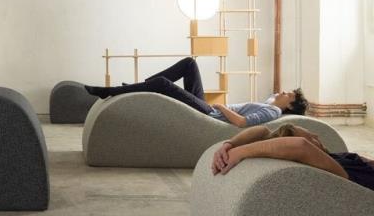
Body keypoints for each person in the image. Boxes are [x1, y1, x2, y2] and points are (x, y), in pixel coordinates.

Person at [85, 57, 308, 127]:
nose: (283, 92)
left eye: (288, 94)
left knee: (163, 83)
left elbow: (242, 123)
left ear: (290, 105)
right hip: (211, 110)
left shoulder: (272, 112)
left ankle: (110, 91)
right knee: (189, 64)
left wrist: (220, 106)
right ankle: (142, 86)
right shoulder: (270, 105)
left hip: (210, 114)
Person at [211, 123, 374, 191]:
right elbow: (300, 146)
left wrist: (229, 144)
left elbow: (263, 130)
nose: (317, 136)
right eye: (312, 138)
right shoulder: (334, 170)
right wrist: (240, 152)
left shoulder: (333, 158)